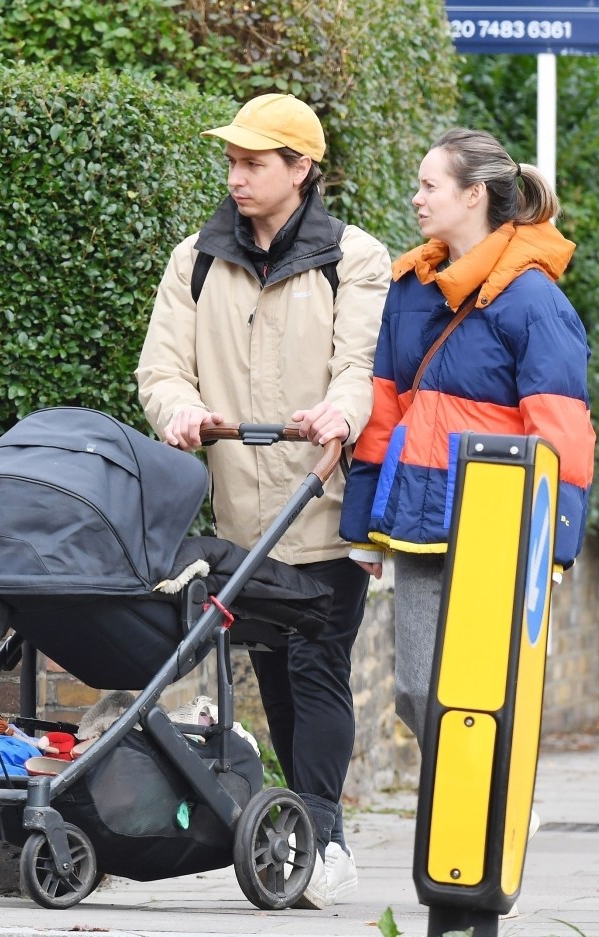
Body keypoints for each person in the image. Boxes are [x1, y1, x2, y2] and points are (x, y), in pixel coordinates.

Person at [135, 93, 391, 909]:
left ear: (300, 170)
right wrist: (177, 409)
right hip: (242, 520)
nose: (237, 177)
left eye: (255, 163)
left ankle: (326, 836)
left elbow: (363, 365)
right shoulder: (197, 260)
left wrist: (340, 413)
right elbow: (162, 365)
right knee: (277, 678)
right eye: (233, 163)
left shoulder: (355, 258)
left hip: (323, 504)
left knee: (319, 668)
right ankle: (308, 831)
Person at [340, 127, 596, 748]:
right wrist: (362, 530)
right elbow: (384, 411)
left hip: (498, 526)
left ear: (475, 194)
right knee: (416, 692)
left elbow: (561, 430)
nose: (416, 199)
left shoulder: (534, 301)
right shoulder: (409, 289)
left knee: (479, 693)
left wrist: (552, 545)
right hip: (420, 520)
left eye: (430, 186)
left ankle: (488, 808)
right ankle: (476, 798)